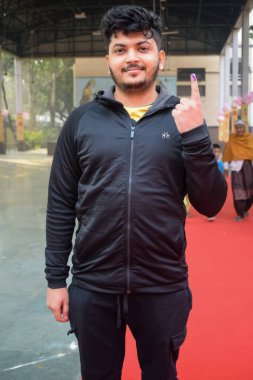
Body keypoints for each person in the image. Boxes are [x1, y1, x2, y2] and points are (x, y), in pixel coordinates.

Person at [45, 5, 227, 380]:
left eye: (142, 48)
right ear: (108, 59)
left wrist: (195, 136)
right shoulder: (82, 122)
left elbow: (211, 203)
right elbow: (61, 203)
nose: (132, 57)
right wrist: (55, 280)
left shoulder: (184, 118)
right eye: (121, 49)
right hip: (94, 285)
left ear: (160, 57)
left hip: (162, 285)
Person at [222, 118, 253, 221]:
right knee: (238, 190)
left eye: (241, 127)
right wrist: (226, 168)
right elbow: (227, 154)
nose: (239, 130)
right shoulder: (232, 139)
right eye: (237, 128)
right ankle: (240, 213)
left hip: (249, 168)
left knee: (250, 190)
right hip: (236, 170)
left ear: (244, 128)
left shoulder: (250, 138)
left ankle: (245, 209)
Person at [207, 143, 225, 221]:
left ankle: (212, 212)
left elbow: (222, 174)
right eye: (215, 152)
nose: (217, 154)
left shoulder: (221, 164)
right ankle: (210, 213)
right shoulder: (208, 162)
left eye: (218, 152)